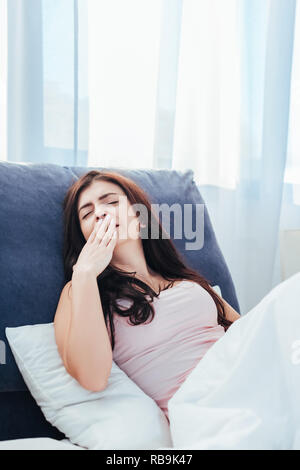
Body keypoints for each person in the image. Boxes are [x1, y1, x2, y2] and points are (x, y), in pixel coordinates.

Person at [54, 170, 240, 423]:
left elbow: (248, 333)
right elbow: (92, 378)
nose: (99, 212)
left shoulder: (188, 282)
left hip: (245, 379)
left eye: (110, 201)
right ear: (83, 237)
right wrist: (85, 272)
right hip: (204, 410)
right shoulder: (79, 290)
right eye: (87, 213)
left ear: (140, 217)